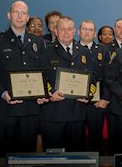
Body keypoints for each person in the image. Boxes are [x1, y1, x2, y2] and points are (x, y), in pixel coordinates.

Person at [0, 0, 48, 155]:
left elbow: (45, 72)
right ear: (9, 15)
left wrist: (43, 92)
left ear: (27, 18)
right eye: (16, 12)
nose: (20, 16)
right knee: (6, 154)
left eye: (23, 13)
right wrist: (4, 93)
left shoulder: (38, 42)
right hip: (6, 110)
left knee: (27, 156)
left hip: (31, 110)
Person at [41, 16, 94, 151]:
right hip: (54, 114)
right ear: (56, 31)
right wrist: (50, 93)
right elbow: (41, 78)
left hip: (77, 114)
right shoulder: (46, 52)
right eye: (62, 29)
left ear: (75, 31)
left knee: (77, 158)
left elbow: (93, 78)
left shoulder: (85, 52)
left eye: (69, 29)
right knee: (53, 159)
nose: (66, 32)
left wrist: (88, 94)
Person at [78, 20, 111, 155]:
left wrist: (105, 99)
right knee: (77, 140)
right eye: (84, 29)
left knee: (96, 140)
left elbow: (110, 77)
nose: (87, 32)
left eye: (90, 30)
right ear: (79, 31)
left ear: (94, 33)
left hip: (97, 103)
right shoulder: (72, 49)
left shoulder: (103, 50)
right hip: (76, 102)